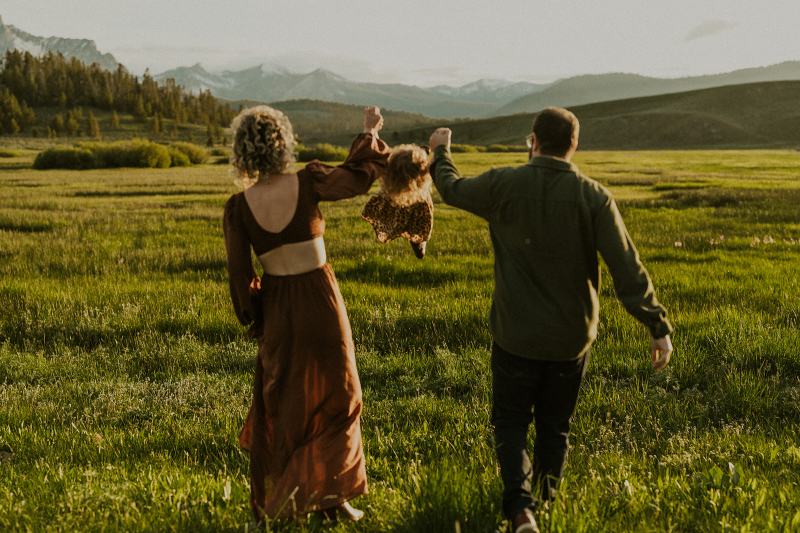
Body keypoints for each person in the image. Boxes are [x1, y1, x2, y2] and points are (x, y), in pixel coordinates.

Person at [427, 107, 674, 533]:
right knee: (554, 428)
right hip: (570, 339)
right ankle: (546, 501)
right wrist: (657, 326)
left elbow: (451, 189)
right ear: (574, 146)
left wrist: (440, 152)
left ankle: (521, 510)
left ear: (532, 140)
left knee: (510, 422)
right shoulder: (593, 196)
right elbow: (626, 267)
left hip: (514, 335)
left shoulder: (504, 183)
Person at [223, 104, 390, 522]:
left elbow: (241, 281)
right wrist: (369, 132)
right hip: (321, 302)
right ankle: (333, 499)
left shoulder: (239, 208)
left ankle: (296, 504)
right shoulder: (309, 180)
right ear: (283, 144)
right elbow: (356, 179)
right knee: (340, 393)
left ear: (242, 153)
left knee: (283, 401)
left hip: (279, 308)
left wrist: (257, 317)